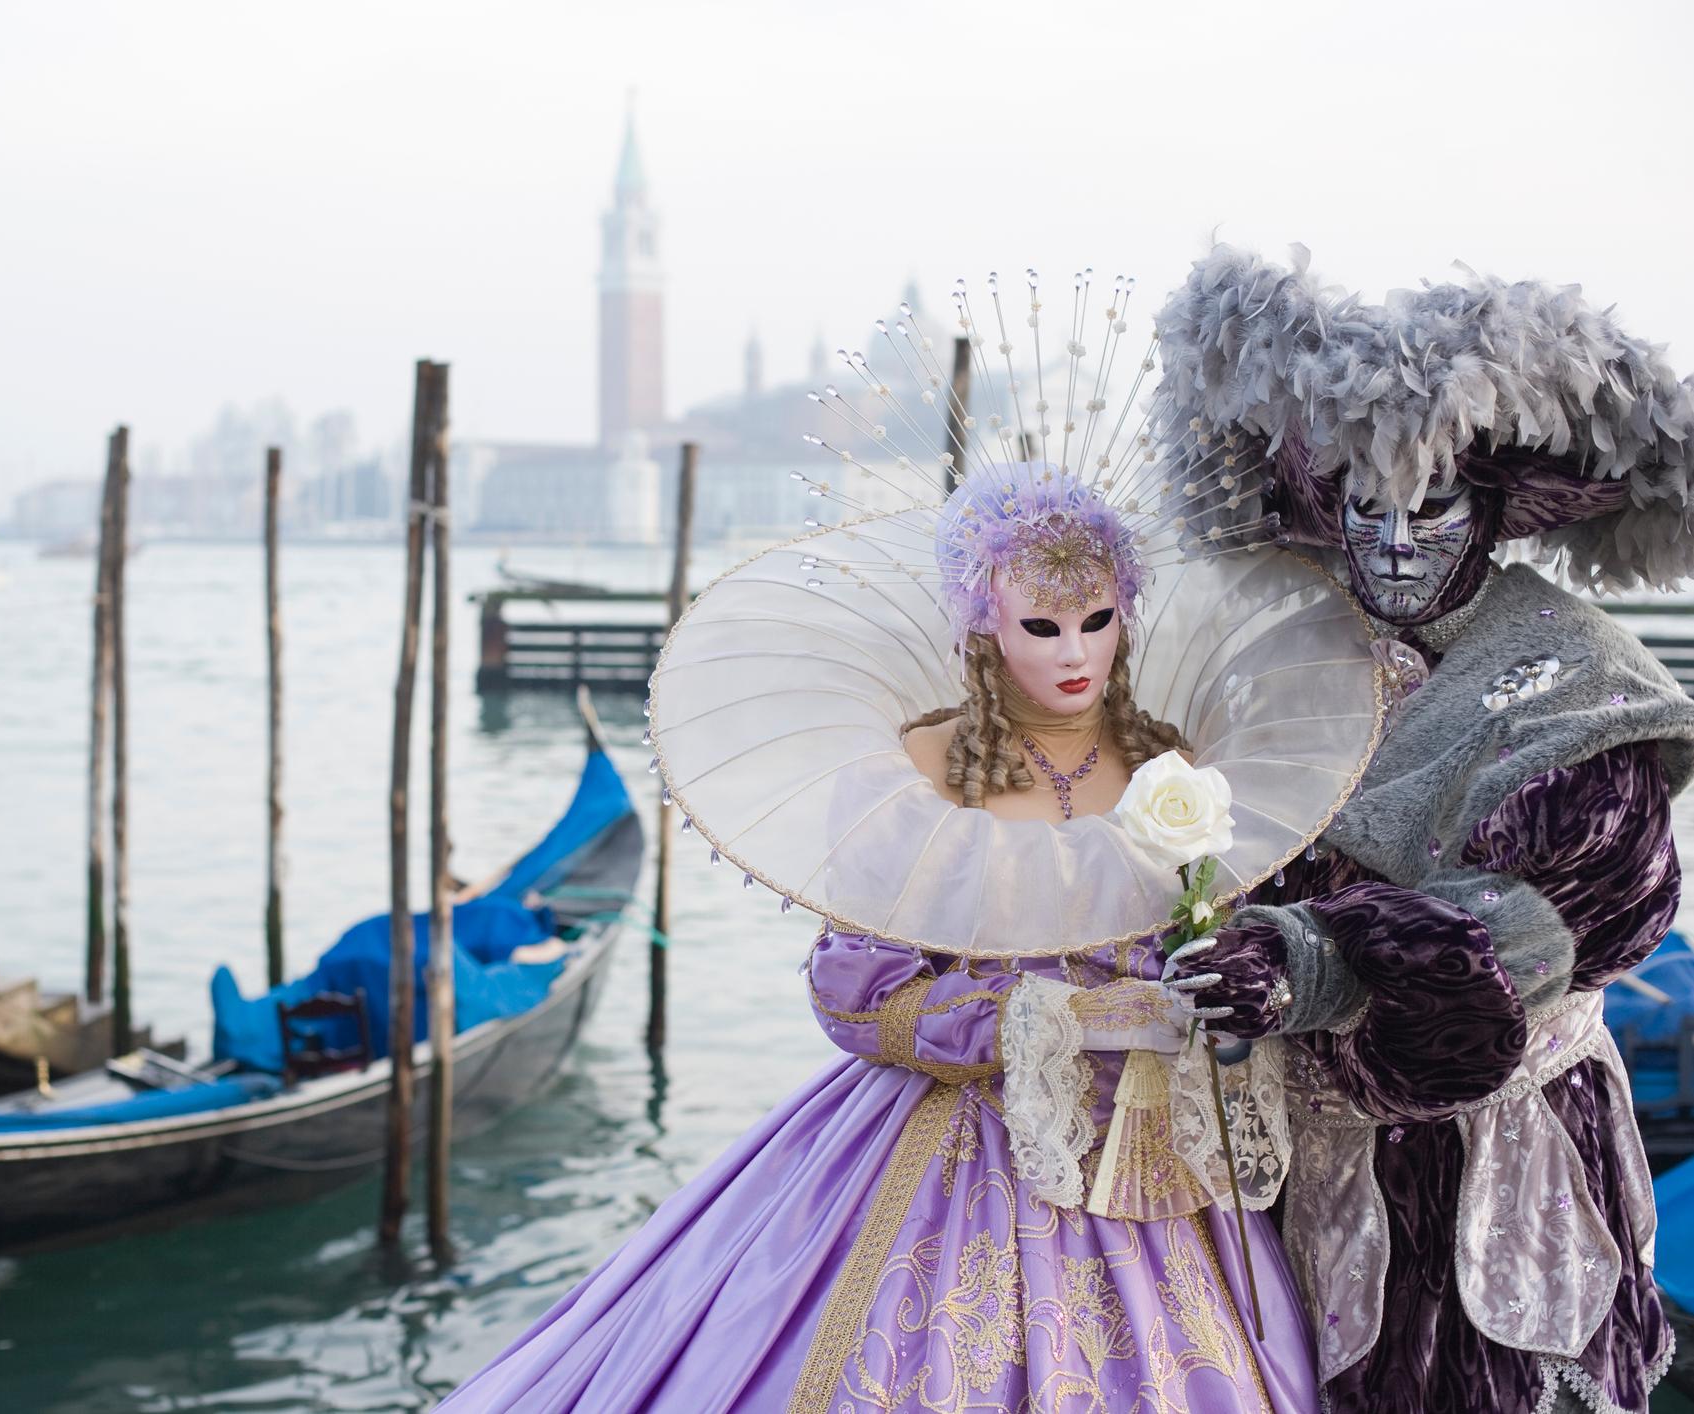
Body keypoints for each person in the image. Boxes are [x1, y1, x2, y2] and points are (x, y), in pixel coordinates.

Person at [439, 272, 1386, 1412]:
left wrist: (1210, 1001)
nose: (1073, 653)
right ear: (986, 627)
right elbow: (859, 992)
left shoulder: (1176, 768)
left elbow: (1232, 949)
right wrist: (1042, 1020)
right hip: (951, 1147)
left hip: (1151, 1169)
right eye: (1040, 625)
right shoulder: (921, 771)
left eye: (1097, 620)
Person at [1155, 245, 1694, 1414]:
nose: (1396, 541)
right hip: (1296, 1150)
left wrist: (1315, 957)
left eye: (1430, 505)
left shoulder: (1574, 678)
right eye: (1367, 506)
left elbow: (1584, 914)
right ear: (1325, 507)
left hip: (1497, 1151)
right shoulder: (1281, 656)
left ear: (1488, 506)